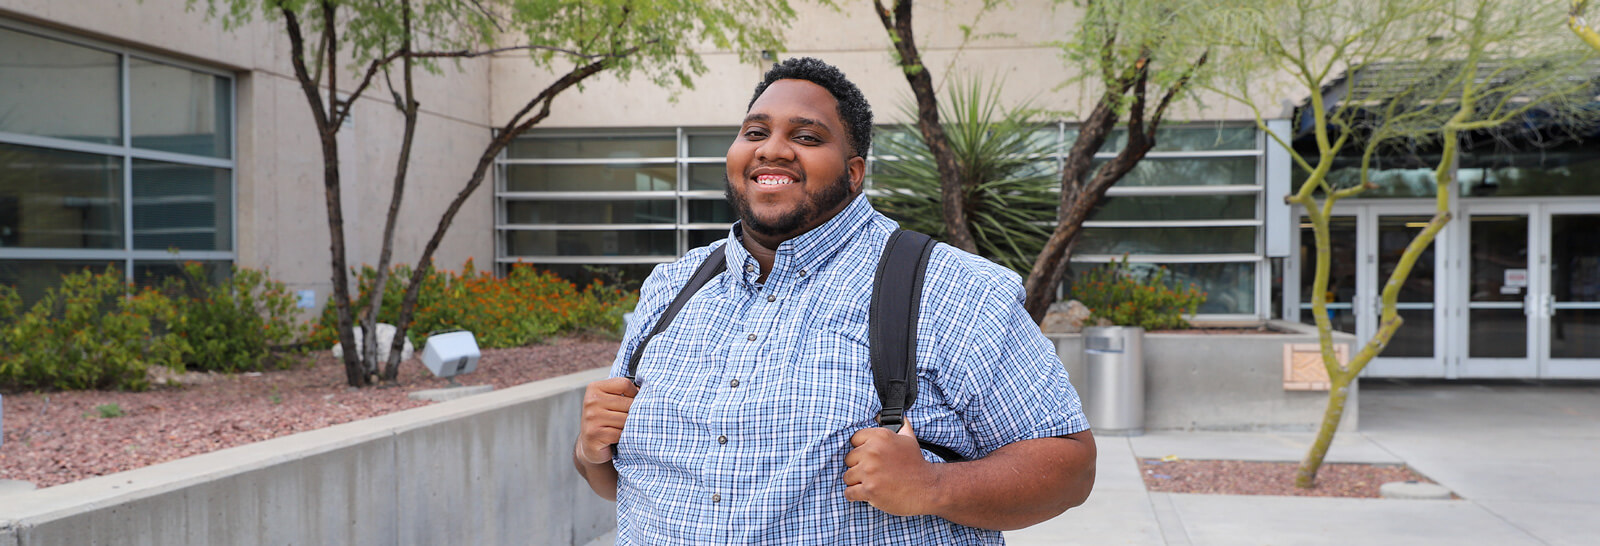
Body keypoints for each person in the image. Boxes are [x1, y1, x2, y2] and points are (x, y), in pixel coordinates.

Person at [574, 57, 1095, 544]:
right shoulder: (674, 286)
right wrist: (590, 451)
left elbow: (1071, 466)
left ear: (853, 171)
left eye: (806, 136)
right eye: (755, 132)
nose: (771, 149)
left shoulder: (953, 288)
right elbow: (618, 482)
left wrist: (933, 487)